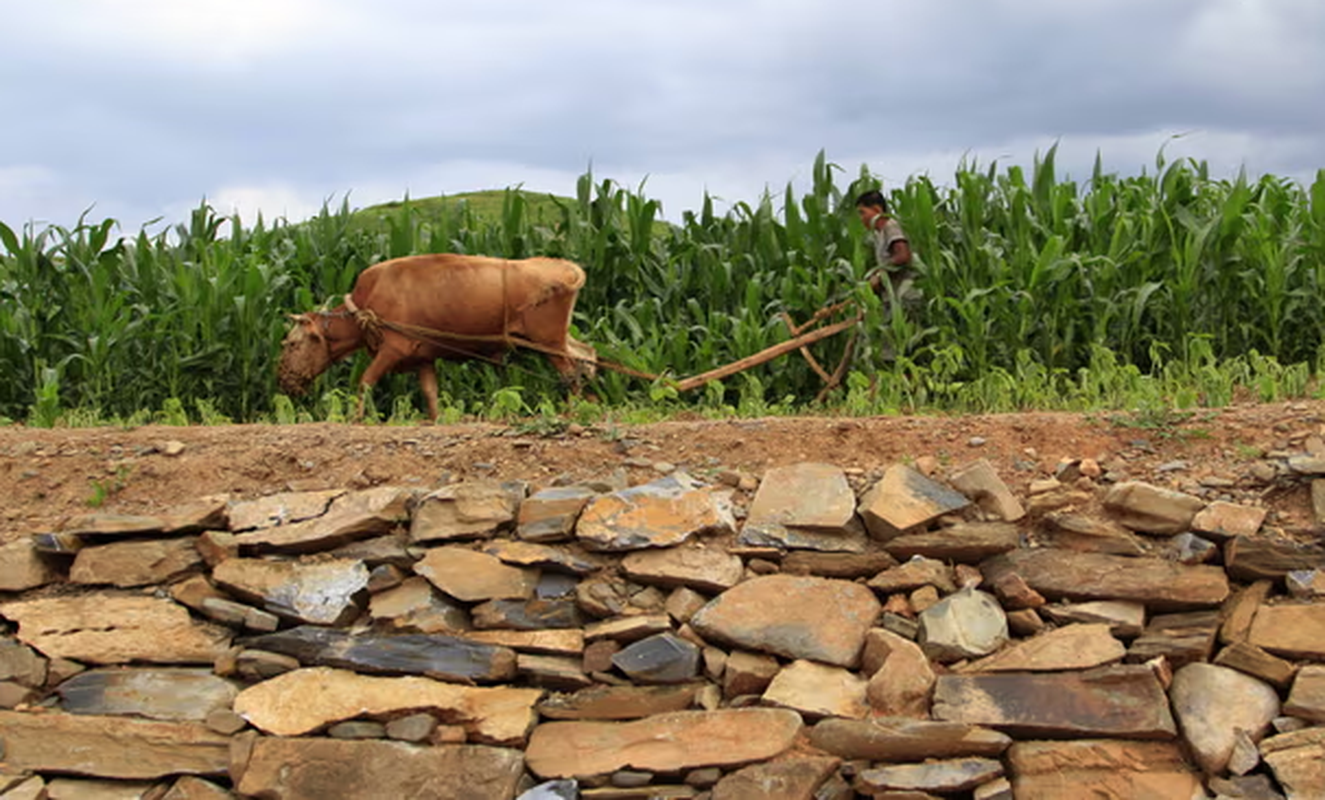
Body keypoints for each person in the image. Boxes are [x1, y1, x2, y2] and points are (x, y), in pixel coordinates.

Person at [854, 189, 920, 309]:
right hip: (893, 300)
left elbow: (903, 255)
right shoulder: (878, 235)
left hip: (905, 299)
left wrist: (879, 275)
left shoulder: (891, 226)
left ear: (877, 210)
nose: (861, 218)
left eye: (862, 212)